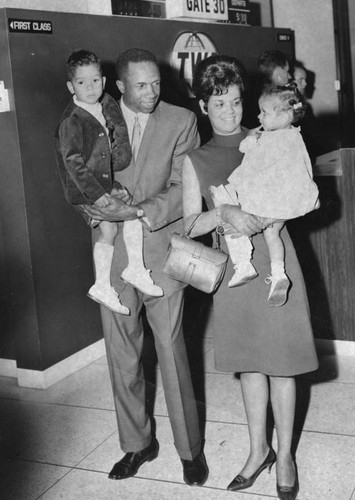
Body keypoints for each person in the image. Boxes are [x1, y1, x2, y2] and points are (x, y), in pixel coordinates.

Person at [182, 55, 318, 499]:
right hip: (234, 269)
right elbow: (189, 225)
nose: (230, 112)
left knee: (282, 362)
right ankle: (257, 449)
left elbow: (302, 193)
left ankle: (286, 454)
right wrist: (224, 212)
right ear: (203, 106)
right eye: (219, 104)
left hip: (276, 262)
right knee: (250, 364)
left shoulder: (269, 136)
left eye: (237, 103)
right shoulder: (195, 159)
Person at [82, 48, 208, 487]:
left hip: (159, 252)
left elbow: (184, 186)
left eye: (156, 83)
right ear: (120, 86)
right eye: (141, 85)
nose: (152, 92)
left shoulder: (181, 120)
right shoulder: (93, 118)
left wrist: (139, 212)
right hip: (113, 258)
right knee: (123, 356)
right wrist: (96, 211)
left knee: (172, 352)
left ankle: (190, 451)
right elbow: (75, 176)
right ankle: (137, 446)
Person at [54, 49, 163, 318]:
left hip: (104, 180)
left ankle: (132, 269)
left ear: (103, 82)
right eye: (81, 83)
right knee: (111, 228)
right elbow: (73, 163)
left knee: (130, 215)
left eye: (94, 81)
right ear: (71, 86)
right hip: (85, 188)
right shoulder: (72, 119)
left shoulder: (105, 103)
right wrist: (97, 194)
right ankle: (104, 283)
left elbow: (113, 133)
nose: (89, 88)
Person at [210, 84, 319, 306]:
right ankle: (278, 273)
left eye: (264, 113)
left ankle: (243, 263)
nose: (259, 116)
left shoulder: (273, 139)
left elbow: (250, 157)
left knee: (227, 203)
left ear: (285, 115)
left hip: (268, 200)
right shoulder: (294, 136)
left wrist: (251, 140)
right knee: (272, 235)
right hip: (287, 204)